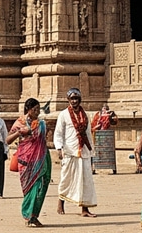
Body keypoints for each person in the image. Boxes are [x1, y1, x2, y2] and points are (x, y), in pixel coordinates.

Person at [7, 97, 51, 228]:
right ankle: (27, 216)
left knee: (42, 186)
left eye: (38, 109)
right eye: (35, 109)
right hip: (27, 160)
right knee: (30, 187)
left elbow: (44, 138)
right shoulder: (20, 122)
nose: (37, 112)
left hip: (41, 157)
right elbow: (8, 140)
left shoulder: (41, 123)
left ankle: (34, 216)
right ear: (28, 110)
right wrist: (20, 132)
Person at [54, 88, 96, 217]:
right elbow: (59, 133)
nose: (74, 101)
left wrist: (91, 152)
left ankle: (84, 209)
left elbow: (88, 134)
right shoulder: (63, 114)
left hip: (84, 151)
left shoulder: (85, 115)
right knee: (66, 179)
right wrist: (59, 148)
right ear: (68, 100)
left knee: (86, 181)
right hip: (70, 151)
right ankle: (60, 203)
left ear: (80, 100)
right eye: (72, 99)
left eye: (76, 98)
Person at [91, 103, 118, 175]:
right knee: (97, 152)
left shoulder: (111, 114)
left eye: (106, 108)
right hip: (98, 135)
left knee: (108, 152)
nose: (105, 110)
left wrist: (111, 116)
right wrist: (96, 127)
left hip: (108, 136)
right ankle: (94, 167)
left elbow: (114, 122)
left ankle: (112, 167)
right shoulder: (98, 114)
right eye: (104, 108)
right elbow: (94, 124)